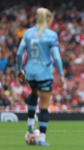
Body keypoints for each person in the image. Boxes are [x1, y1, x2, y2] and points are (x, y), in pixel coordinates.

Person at [16, 8, 64, 146]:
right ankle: (42, 138)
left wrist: (20, 70)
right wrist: (61, 74)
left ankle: (30, 123)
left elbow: (19, 53)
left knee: (34, 92)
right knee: (44, 105)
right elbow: (57, 58)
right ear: (48, 19)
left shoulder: (28, 33)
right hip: (44, 73)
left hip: (30, 71)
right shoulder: (51, 35)